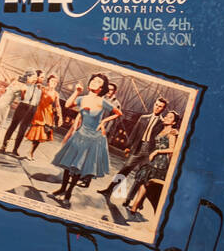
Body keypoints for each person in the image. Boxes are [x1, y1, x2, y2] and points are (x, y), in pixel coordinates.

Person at [48, 73, 117, 208]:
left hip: (91, 138)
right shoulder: (83, 98)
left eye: (98, 82)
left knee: (77, 168)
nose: (93, 82)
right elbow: (68, 104)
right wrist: (77, 91)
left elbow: (118, 113)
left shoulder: (101, 101)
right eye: (93, 80)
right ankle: (62, 189)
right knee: (68, 164)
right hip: (79, 134)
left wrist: (103, 121)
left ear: (102, 88)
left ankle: (68, 193)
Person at [100, 95, 168, 200]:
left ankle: (130, 199)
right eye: (156, 105)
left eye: (160, 107)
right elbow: (134, 133)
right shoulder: (143, 118)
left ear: (163, 109)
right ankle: (109, 190)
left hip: (149, 152)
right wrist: (128, 146)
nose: (157, 107)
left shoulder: (163, 123)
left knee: (142, 177)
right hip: (138, 148)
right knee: (125, 169)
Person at [124, 111, 181, 219]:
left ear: (173, 122)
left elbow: (172, 149)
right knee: (144, 181)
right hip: (153, 159)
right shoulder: (162, 129)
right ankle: (136, 205)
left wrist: (157, 152)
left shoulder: (172, 133)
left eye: (170, 117)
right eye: (167, 116)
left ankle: (135, 206)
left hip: (161, 162)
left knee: (147, 183)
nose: (166, 118)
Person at [19, 74, 62, 159]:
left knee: (41, 135)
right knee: (36, 132)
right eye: (52, 81)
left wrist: (60, 117)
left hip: (48, 115)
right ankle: (26, 150)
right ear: (48, 81)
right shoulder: (42, 88)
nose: (54, 83)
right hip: (39, 112)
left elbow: (58, 106)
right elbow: (32, 88)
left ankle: (31, 152)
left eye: (56, 82)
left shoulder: (56, 94)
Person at [0, 71, 39, 153]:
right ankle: (4, 146)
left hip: (31, 109)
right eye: (40, 77)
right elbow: (19, 96)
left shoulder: (38, 89)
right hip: (22, 106)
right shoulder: (25, 84)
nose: (37, 79)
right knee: (13, 126)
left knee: (23, 130)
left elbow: (36, 101)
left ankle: (15, 149)